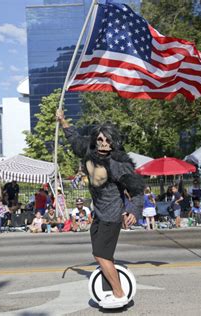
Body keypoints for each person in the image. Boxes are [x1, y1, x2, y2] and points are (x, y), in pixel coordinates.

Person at [57, 109, 144, 309]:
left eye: (108, 141)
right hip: (98, 214)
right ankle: (109, 286)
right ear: (95, 140)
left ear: (114, 143)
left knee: (101, 255)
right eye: (101, 139)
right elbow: (74, 138)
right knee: (103, 254)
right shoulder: (88, 152)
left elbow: (138, 190)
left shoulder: (118, 164)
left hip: (112, 215)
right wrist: (62, 120)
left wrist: (133, 211)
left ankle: (119, 293)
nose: (104, 144)